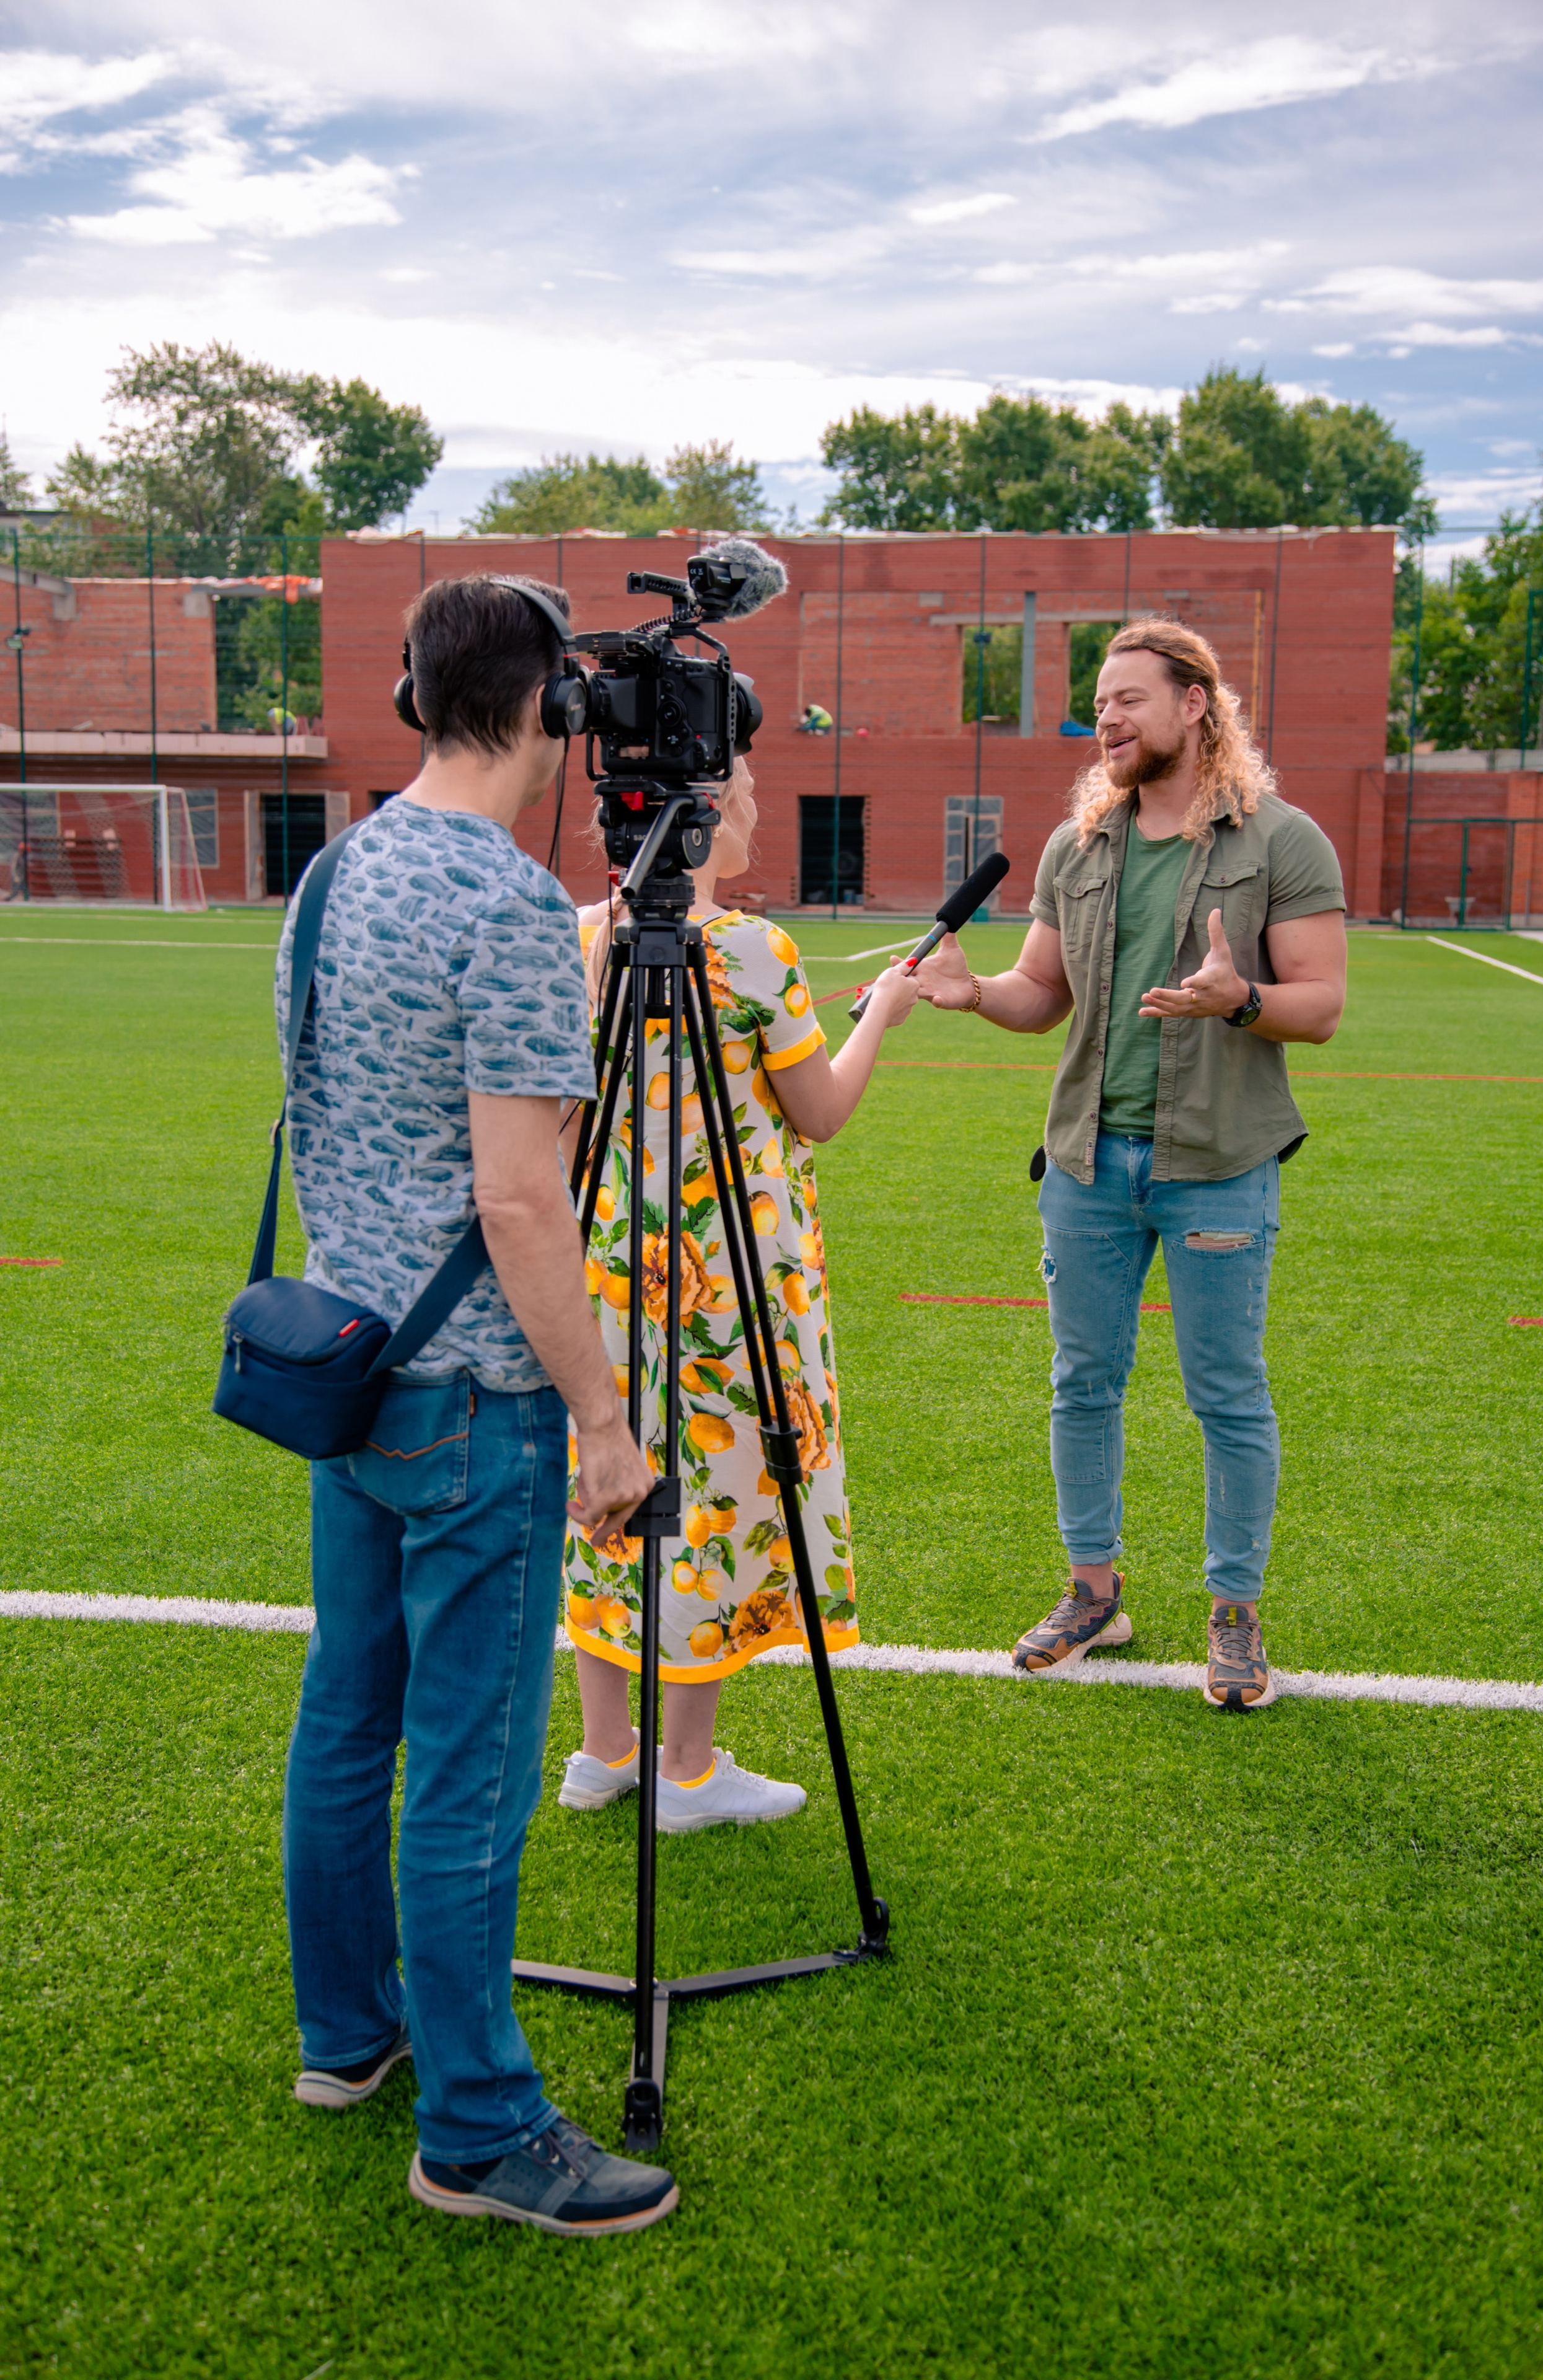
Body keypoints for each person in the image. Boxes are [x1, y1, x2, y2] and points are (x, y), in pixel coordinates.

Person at [276, 573, 679, 2235]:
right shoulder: (511, 908)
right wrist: (604, 1417)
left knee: (345, 1719)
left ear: (412, 691)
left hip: (345, 1368)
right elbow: (525, 1204)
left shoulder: (331, 873)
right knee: (458, 1767)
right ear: (551, 710)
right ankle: (481, 2132)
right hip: (475, 1401)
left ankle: (347, 2037)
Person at [913, 619, 1348, 1711]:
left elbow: (1323, 1005)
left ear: (1195, 705)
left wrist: (1235, 997)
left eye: (1127, 699)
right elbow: (1039, 993)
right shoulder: (1079, 847)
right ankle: (1092, 1592)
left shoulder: (1282, 841)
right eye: (1098, 702)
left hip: (1218, 1163)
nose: (1104, 718)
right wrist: (976, 998)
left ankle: (1236, 1616)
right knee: (1082, 1382)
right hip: (1086, 1164)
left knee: (1227, 1394)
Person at [560, 754, 920, 1822]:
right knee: (715, 1499)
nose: (759, 812)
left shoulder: (577, 937)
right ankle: (689, 1770)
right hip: (728, 1280)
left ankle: (601, 1750)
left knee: (607, 1490)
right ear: (704, 822)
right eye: (748, 797)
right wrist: (884, 1015)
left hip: (604, 1268)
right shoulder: (754, 951)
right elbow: (819, 1111)